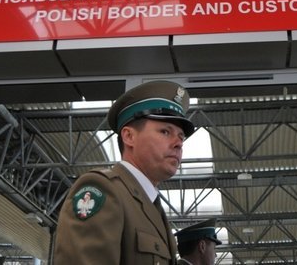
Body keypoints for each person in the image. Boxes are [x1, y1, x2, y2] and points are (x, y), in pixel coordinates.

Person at [54, 80, 196, 264]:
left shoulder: (151, 205)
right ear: (129, 136)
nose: (178, 144)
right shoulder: (104, 190)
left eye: (181, 137)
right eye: (165, 132)